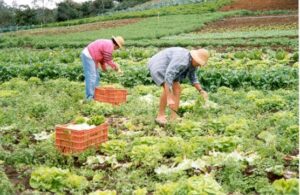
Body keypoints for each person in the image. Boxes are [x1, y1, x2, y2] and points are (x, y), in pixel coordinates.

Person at [147, 47, 209, 125]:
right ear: (195, 59)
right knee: (167, 89)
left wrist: (201, 91)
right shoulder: (182, 61)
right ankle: (160, 116)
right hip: (159, 65)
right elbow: (168, 77)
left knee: (177, 89)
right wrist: (169, 98)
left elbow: (193, 77)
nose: (199, 65)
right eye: (199, 63)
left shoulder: (192, 63)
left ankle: (173, 117)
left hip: (168, 66)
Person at [80, 36, 124, 100]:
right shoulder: (109, 45)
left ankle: (95, 95)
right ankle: (89, 98)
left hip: (92, 57)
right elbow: (108, 60)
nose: (116, 49)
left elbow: (102, 60)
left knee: (97, 77)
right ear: (116, 45)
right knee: (91, 77)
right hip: (88, 55)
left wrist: (104, 69)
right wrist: (116, 67)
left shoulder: (108, 44)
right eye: (118, 48)